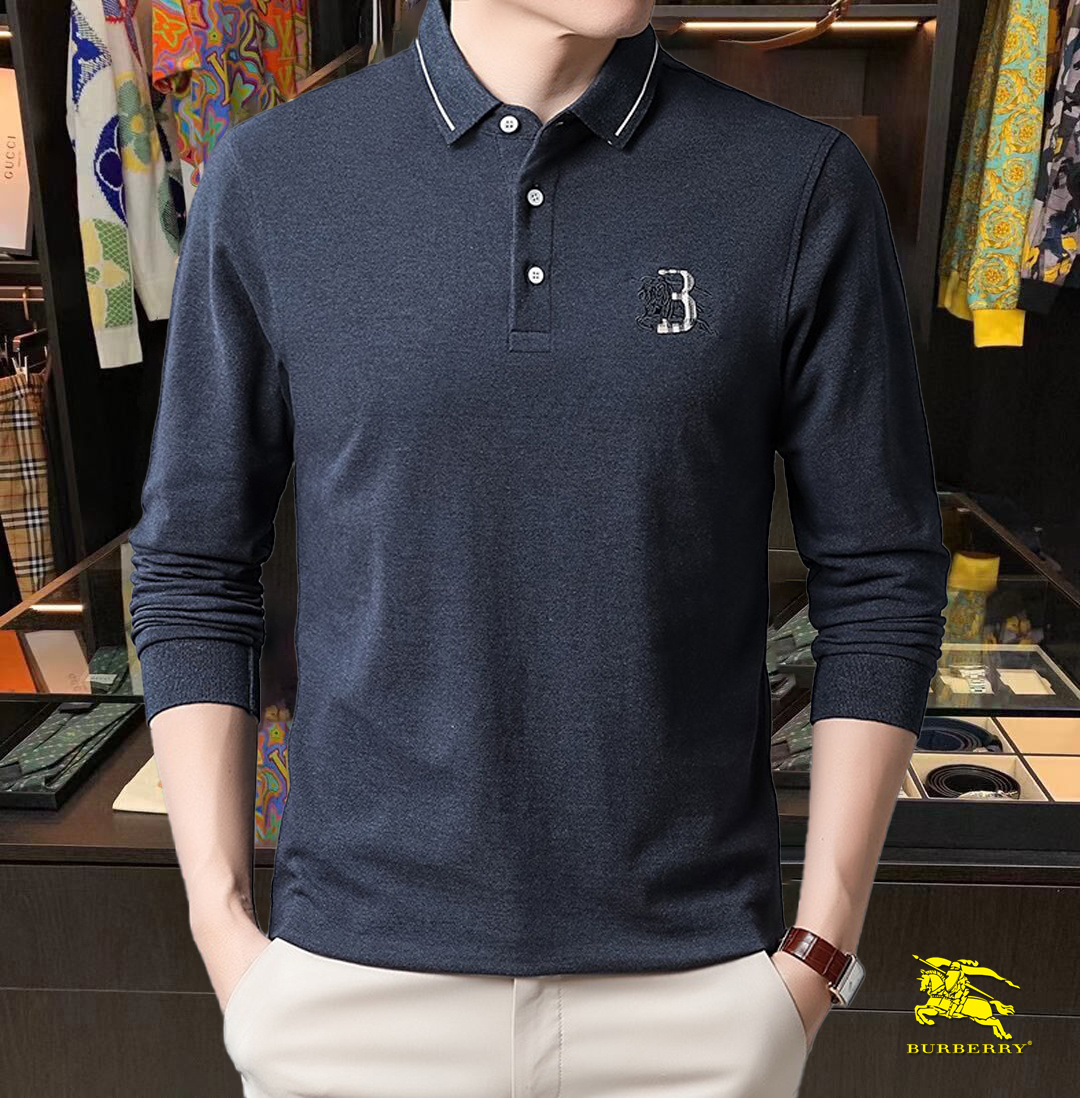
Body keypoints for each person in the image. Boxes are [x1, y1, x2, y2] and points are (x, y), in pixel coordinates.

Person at [127, 1, 951, 1095]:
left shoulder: (796, 185)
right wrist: (223, 924)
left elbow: (882, 573)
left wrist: (820, 948)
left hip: (695, 996)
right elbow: (193, 562)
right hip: (354, 988)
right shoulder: (278, 177)